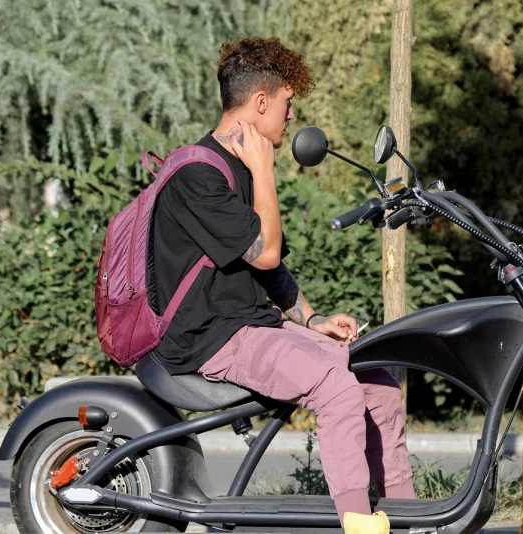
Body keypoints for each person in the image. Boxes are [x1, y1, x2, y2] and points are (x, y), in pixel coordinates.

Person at [147, 36, 414, 533]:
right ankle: (357, 521)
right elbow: (266, 250)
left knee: (378, 385)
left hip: (252, 327)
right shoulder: (199, 175)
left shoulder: (240, 168)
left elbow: (267, 270)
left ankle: (412, 518)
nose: (292, 117)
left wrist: (312, 319)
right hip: (210, 338)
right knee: (335, 388)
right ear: (261, 102)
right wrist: (265, 171)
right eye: (288, 104)